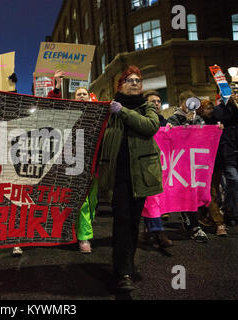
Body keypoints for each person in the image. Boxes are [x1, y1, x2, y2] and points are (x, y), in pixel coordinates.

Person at [99, 65, 163, 292]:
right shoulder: (109, 110)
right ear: (121, 85)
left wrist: (123, 112)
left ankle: (127, 264)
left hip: (141, 176)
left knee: (134, 222)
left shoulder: (148, 108)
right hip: (118, 175)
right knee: (122, 221)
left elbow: (149, 127)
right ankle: (123, 270)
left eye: (138, 80)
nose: (135, 83)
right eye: (130, 80)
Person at [48, 70, 99, 253]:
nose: (82, 97)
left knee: (92, 202)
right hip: (75, 165)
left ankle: (79, 229)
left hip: (95, 164)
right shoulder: (70, 112)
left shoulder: (97, 114)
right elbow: (53, 107)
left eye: (85, 94)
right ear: (74, 98)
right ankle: (84, 238)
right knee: (82, 201)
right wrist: (56, 88)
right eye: (79, 95)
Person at [167, 90, 208, 243]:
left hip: (196, 163)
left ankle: (191, 219)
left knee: (195, 193)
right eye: (187, 102)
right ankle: (195, 226)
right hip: (181, 163)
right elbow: (175, 139)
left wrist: (216, 130)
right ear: (181, 103)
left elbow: (204, 137)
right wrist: (187, 124)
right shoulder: (173, 119)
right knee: (188, 193)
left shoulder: (199, 119)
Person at [213, 88, 238, 226]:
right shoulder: (219, 110)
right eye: (232, 94)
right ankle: (230, 211)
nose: (236, 96)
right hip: (227, 153)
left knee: (234, 186)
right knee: (233, 181)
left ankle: (231, 212)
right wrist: (232, 106)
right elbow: (227, 118)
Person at [140, 90, 173, 248]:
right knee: (152, 198)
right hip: (147, 165)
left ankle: (149, 229)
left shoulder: (165, 122)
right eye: (153, 101)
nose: (157, 104)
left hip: (164, 166)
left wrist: (171, 131)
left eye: (159, 101)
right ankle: (158, 231)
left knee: (154, 199)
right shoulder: (143, 120)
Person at [196, 100, 227, 236]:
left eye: (211, 108)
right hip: (203, 163)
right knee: (211, 192)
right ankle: (219, 224)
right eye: (207, 108)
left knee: (213, 191)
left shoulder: (217, 122)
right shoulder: (196, 122)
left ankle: (205, 216)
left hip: (217, 162)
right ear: (201, 110)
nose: (210, 111)